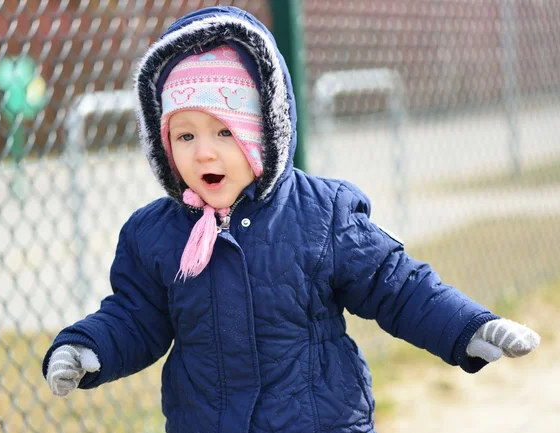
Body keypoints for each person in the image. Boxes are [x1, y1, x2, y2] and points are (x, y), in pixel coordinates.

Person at [42, 6, 540, 433]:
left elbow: (398, 285)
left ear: (263, 132)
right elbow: (135, 316)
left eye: (224, 132)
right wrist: (89, 347)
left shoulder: (322, 215)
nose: (203, 152)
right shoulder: (154, 234)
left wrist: (469, 327)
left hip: (319, 419)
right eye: (185, 136)